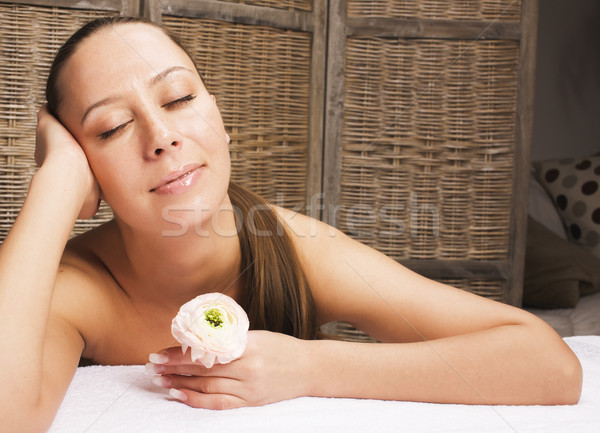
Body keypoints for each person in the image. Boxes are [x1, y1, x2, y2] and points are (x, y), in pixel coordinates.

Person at [0, 16, 582, 433]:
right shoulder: (77, 288)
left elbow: (549, 365)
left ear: (219, 118)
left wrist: (307, 367)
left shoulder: (294, 248)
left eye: (177, 98)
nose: (163, 137)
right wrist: (53, 182)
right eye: (110, 129)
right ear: (88, 173)